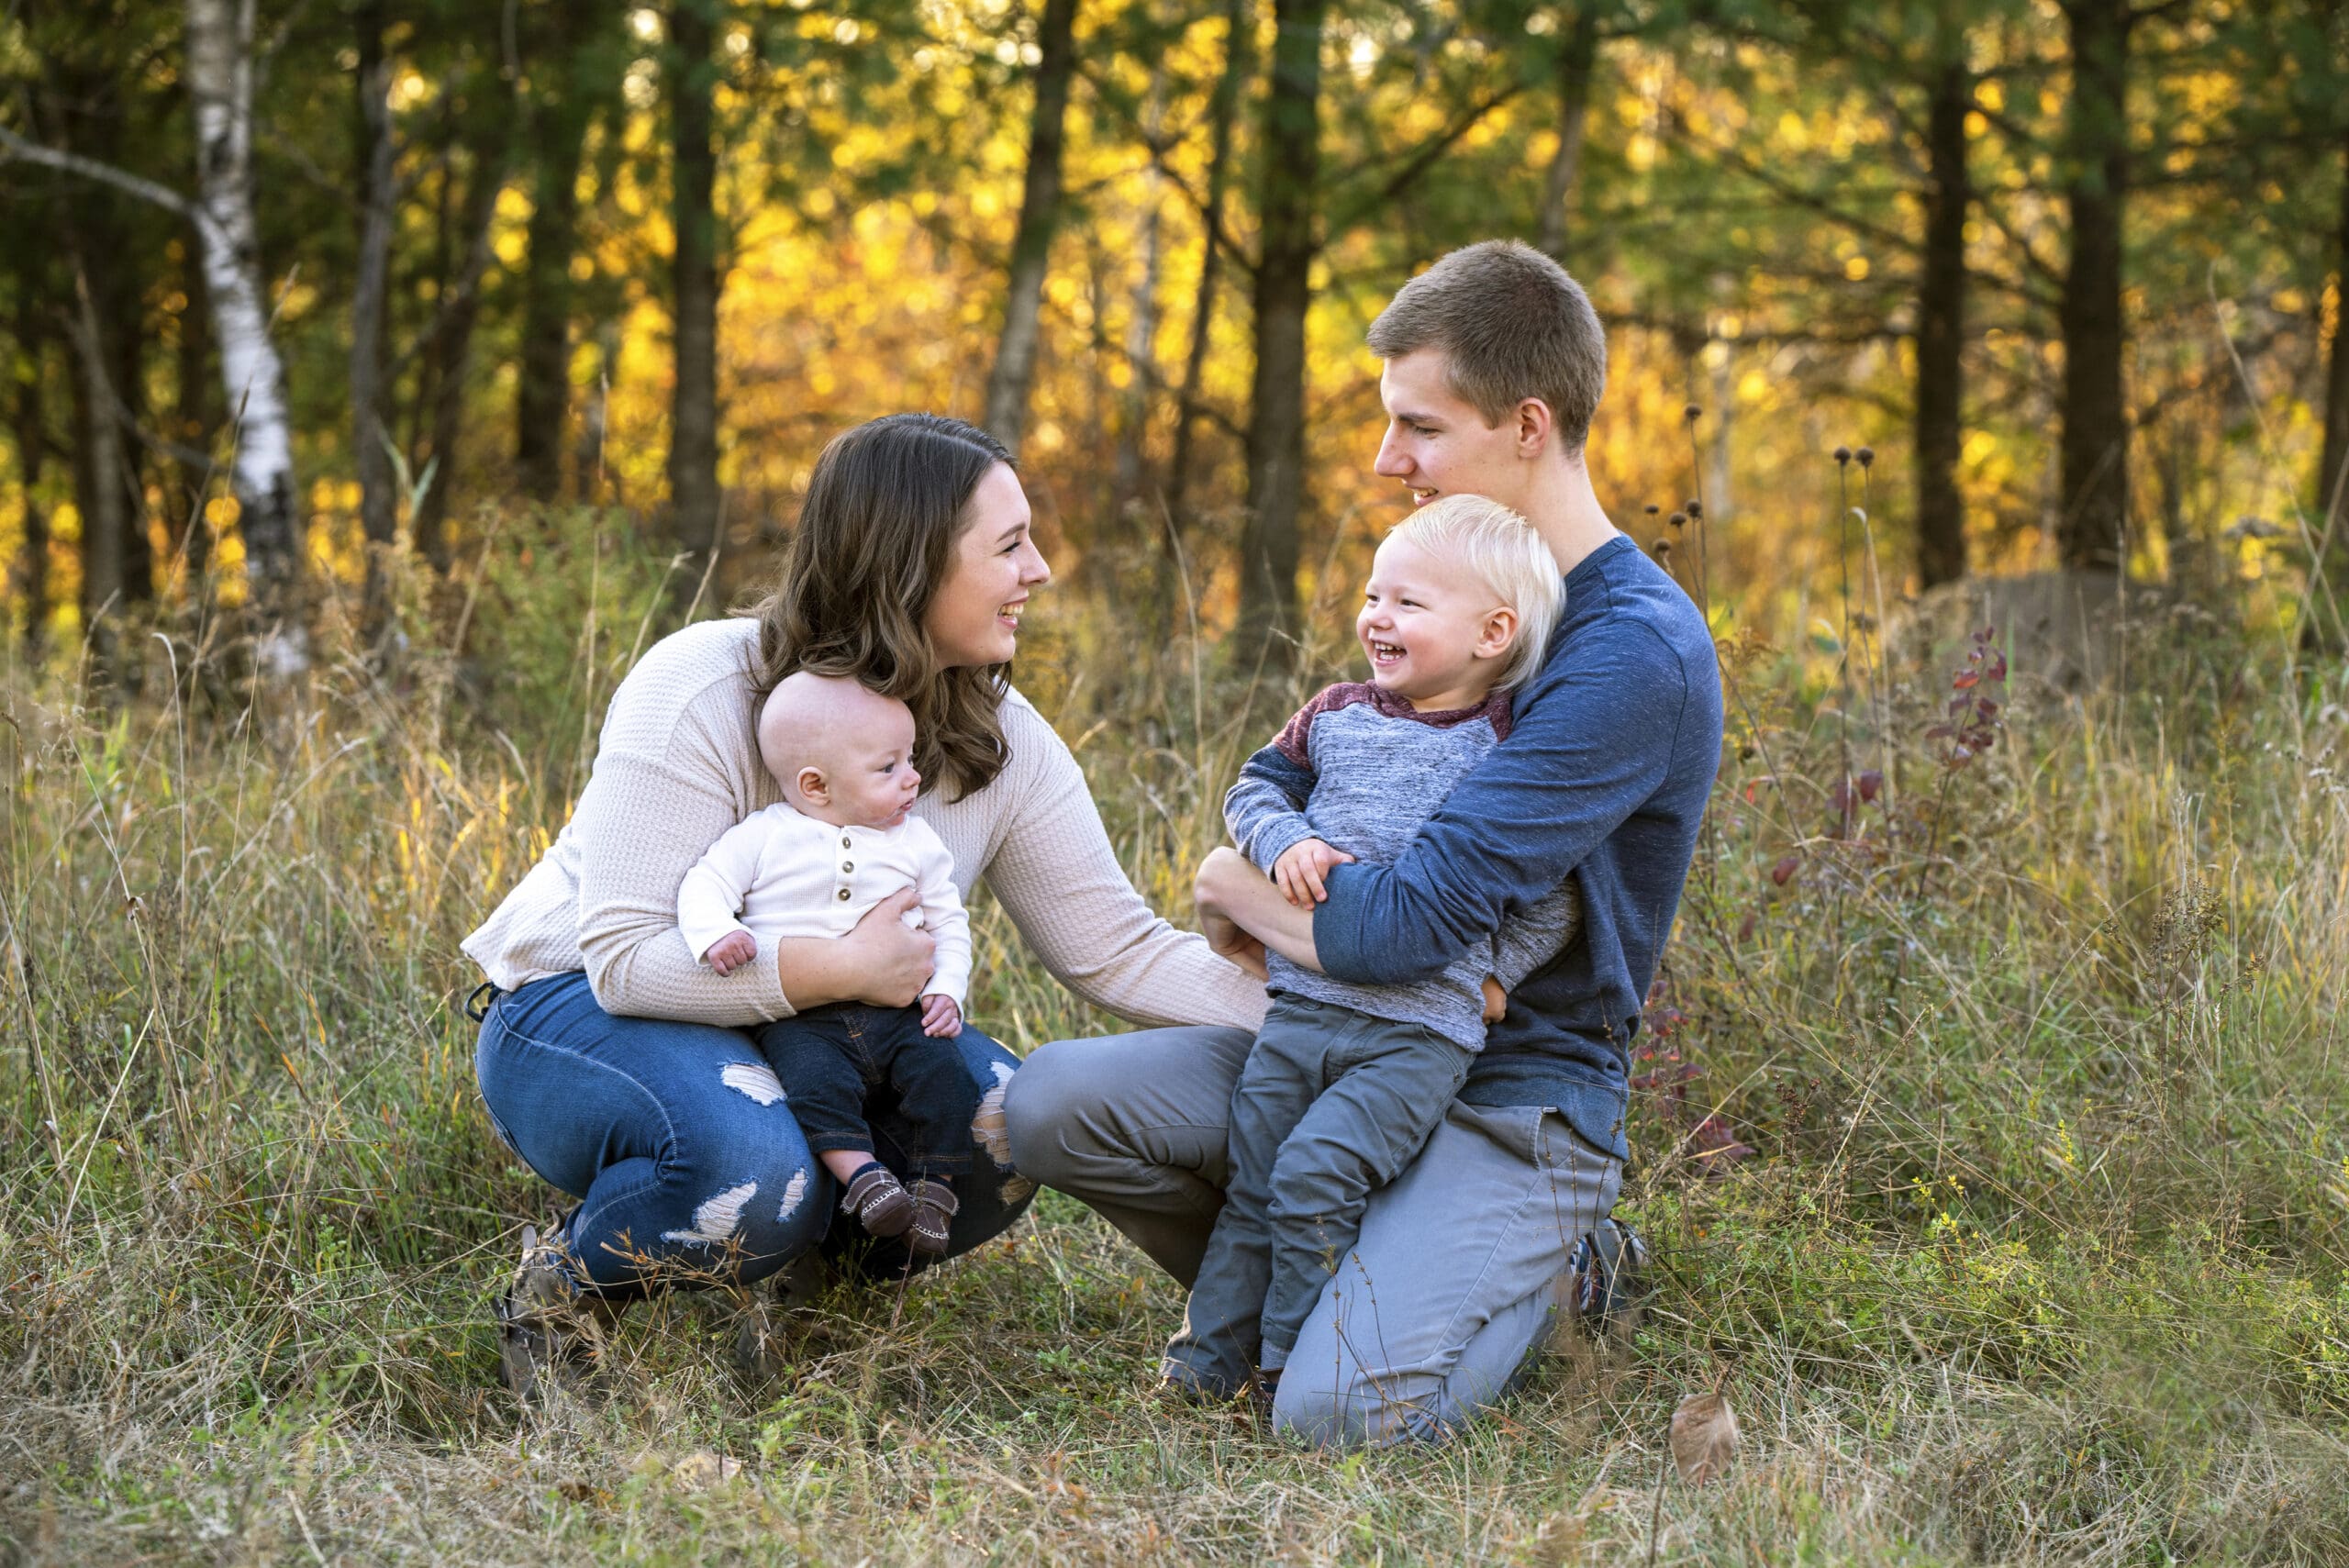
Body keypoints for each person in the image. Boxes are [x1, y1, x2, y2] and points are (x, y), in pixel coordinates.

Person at [1006, 239, 1725, 1445]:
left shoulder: (1628, 652)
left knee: (1334, 1418)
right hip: (1337, 1038)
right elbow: (1339, 814)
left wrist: (1238, 884)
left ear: (1528, 426)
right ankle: (1341, 1267)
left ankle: (1562, 1268)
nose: (1389, 461)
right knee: (1052, 1105)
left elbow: (1398, 933)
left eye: (1421, 427)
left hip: (1514, 1094)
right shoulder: (1445, 594)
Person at [462, 413, 1264, 1401]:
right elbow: (624, 957)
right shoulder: (702, 686)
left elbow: (1117, 947)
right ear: (909, 562)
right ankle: (566, 1288)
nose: (1042, 570)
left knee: (993, 1126)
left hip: (821, 1035)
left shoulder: (996, 739)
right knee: (753, 1166)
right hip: (581, 1013)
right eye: (1009, 545)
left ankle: (809, 1299)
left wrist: (1348, 1023)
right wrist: (838, 968)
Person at [1163, 495, 1577, 1404]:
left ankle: (1286, 1366)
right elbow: (1254, 792)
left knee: (1315, 1174)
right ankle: (1203, 1366)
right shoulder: (1333, 713)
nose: (1376, 617)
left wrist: (1499, 972)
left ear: (1492, 631)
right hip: (1301, 1012)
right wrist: (1280, 843)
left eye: (1408, 603)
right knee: (1254, 1182)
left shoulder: (1503, 748)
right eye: (1372, 595)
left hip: (1416, 1037)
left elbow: (1552, 900)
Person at [679, 672, 974, 1257]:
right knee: (813, 1088)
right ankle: (864, 1181)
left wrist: (948, 988)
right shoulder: (765, 837)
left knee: (948, 1078)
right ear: (815, 785)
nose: (913, 778)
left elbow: (949, 923)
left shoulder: (917, 843)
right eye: (888, 768)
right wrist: (718, 933)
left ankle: (933, 1192)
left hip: (897, 1012)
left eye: (909, 759)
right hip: (802, 1016)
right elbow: (704, 884)